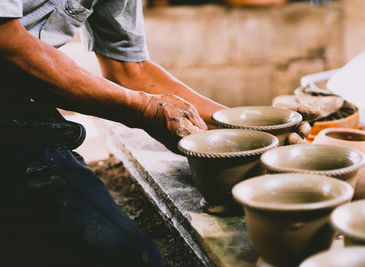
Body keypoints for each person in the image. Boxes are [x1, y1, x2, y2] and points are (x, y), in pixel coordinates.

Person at [0, 0, 316, 266]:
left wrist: (246, 128)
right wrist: (144, 110)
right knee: (125, 256)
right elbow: (8, 45)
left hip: (24, 106)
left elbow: (129, 69)